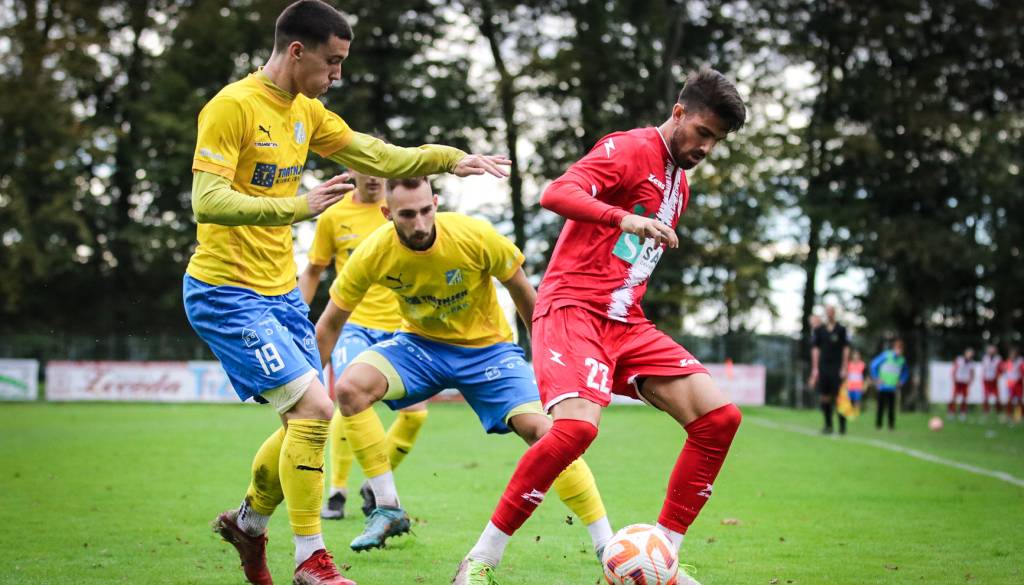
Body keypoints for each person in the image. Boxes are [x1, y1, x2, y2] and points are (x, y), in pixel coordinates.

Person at [182, 2, 510, 584]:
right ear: (297, 51)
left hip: (280, 293)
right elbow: (206, 201)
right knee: (314, 410)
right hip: (225, 290)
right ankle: (311, 560)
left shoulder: (307, 111)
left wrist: (453, 159)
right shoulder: (232, 107)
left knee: (304, 423)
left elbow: (378, 155)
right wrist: (297, 206)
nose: (337, 74)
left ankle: (249, 523)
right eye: (331, 61)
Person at [452, 67, 746, 585]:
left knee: (718, 419)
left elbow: (628, 261)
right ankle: (480, 560)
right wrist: (622, 217)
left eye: (716, 141)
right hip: (572, 309)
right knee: (577, 430)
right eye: (702, 132)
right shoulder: (629, 148)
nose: (706, 147)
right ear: (678, 112)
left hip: (625, 321)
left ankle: (662, 560)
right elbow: (556, 193)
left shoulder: (679, 184)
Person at [314, 177, 613, 555]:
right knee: (349, 388)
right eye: (407, 215)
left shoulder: (475, 236)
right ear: (387, 214)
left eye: (426, 210)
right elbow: (329, 324)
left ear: (436, 203)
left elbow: (524, 293)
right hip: (420, 347)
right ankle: (387, 508)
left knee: (547, 433)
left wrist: (548, 360)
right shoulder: (373, 252)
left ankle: (606, 543)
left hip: (489, 352)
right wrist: (308, 391)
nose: (420, 223)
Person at [298, 170, 428, 521]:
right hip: (352, 325)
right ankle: (337, 491)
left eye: (379, 171)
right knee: (349, 397)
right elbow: (313, 270)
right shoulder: (335, 214)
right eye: (365, 170)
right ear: (351, 170)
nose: (373, 178)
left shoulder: (403, 209)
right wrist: (295, 315)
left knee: (416, 415)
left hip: (401, 327)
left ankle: (373, 485)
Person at [809, 305, 851, 434]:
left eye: (831, 312)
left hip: (837, 367)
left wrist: (844, 367)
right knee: (825, 396)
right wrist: (815, 368)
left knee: (839, 396)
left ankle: (842, 426)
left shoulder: (841, 330)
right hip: (824, 367)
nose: (829, 314)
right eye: (827, 312)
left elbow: (846, 348)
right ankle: (828, 425)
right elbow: (815, 349)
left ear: (834, 313)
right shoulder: (819, 330)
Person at [869, 340, 908, 430]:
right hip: (882, 386)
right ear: (894, 348)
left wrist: (901, 381)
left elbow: (905, 372)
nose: (899, 351)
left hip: (893, 387)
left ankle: (891, 426)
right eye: (898, 349)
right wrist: (876, 378)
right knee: (880, 407)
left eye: (901, 349)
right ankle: (878, 425)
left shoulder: (902, 360)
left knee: (891, 408)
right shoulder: (886, 355)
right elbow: (873, 365)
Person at [949, 347, 975, 421]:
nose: (970, 355)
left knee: (964, 398)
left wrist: (970, 380)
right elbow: (954, 369)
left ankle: (963, 413)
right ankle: (951, 412)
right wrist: (954, 378)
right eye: (969, 353)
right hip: (958, 381)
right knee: (954, 398)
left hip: (965, 382)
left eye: (971, 354)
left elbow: (972, 373)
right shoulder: (959, 360)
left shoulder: (971, 363)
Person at [979, 344, 1003, 419]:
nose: (991, 351)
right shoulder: (985, 358)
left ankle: (998, 411)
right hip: (986, 380)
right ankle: (986, 411)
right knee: (985, 396)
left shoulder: (998, 359)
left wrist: (997, 375)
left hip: (994, 380)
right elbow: (984, 368)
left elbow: (1000, 369)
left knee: (997, 397)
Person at [1003, 347, 1023, 424]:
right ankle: (1009, 414)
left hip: (1018, 384)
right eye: (1011, 354)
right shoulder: (1008, 362)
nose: (1012, 356)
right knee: (1009, 400)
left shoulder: (1020, 362)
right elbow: (1006, 372)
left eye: (1014, 354)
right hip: (1010, 385)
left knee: (1019, 400)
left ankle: (1018, 415)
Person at [845, 349, 867, 417]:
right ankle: (849, 414)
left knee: (857, 401)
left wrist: (865, 386)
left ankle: (856, 414)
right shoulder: (848, 364)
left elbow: (866, 377)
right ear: (852, 356)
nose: (856, 356)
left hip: (858, 387)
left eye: (857, 355)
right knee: (849, 401)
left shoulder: (862, 365)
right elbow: (846, 376)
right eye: (854, 354)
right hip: (849, 386)